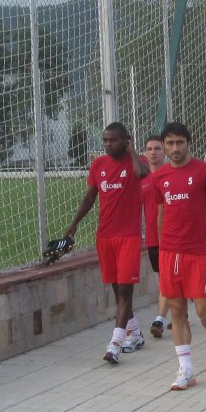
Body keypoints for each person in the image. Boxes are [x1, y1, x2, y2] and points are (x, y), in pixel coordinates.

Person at [153, 122, 206, 390]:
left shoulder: (204, 171)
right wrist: (162, 249)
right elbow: (161, 214)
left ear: (188, 143)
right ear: (164, 145)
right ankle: (185, 370)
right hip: (170, 254)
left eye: (180, 143)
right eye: (170, 143)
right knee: (177, 311)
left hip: (198, 251)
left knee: (203, 309)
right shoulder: (159, 177)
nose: (175, 148)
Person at [65, 122, 149, 364]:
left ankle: (115, 343)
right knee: (116, 288)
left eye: (113, 140)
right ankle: (135, 332)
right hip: (105, 236)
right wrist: (74, 224)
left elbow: (143, 174)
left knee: (125, 289)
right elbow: (90, 198)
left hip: (128, 236)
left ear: (126, 140)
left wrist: (132, 151)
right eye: (105, 140)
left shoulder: (135, 163)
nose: (108, 144)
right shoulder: (99, 165)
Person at [141, 135, 171, 338]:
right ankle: (180, 311)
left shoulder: (171, 174)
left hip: (173, 236)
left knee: (167, 280)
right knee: (164, 279)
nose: (153, 152)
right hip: (153, 238)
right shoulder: (142, 179)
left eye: (157, 148)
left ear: (164, 151)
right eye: (149, 149)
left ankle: (159, 319)